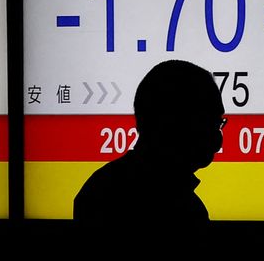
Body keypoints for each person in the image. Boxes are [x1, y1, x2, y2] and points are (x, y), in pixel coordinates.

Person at [73, 60, 226, 224]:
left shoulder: (99, 188)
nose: (217, 138)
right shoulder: (183, 211)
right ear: (175, 122)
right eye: (211, 122)